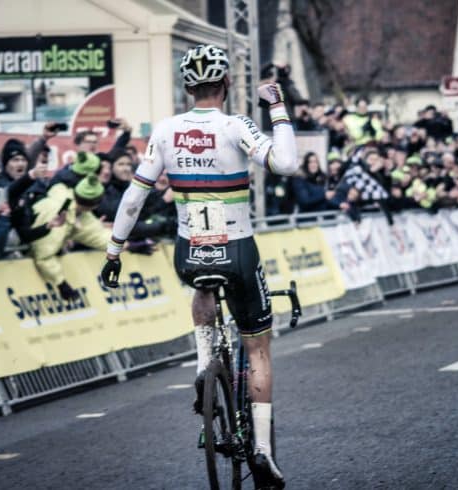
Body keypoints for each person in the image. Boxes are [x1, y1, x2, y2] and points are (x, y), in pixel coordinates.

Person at [100, 44, 297, 488]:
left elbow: (134, 198)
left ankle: (203, 363)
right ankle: (262, 451)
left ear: (187, 88)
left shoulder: (166, 131)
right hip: (239, 250)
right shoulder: (236, 125)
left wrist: (113, 252)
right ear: (225, 84)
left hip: (189, 253)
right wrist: (279, 109)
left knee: (201, 289)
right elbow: (285, 163)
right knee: (258, 349)